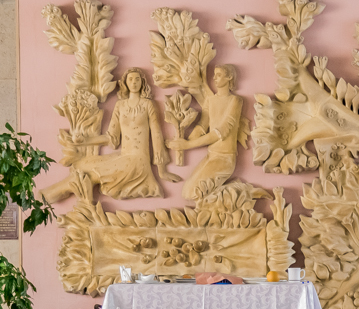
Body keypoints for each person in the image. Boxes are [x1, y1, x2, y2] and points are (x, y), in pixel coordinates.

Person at [42, 67, 180, 204]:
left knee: (91, 175)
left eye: (137, 79)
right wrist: (84, 141)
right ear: (125, 83)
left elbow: (156, 136)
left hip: (138, 161)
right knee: (84, 167)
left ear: (142, 82)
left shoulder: (147, 105)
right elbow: (111, 137)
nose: (134, 82)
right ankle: (49, 195)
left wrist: (162, 171)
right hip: (123, 156)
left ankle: (49, 196)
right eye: (130, 79)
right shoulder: (120, 105)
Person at [168, 64, 243, 201]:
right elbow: (202, 126)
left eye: (219, 75)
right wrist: (182, 139)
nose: (214, 78)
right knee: (186, 192)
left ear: (229, 77)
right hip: (211, 155)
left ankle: (231, 195)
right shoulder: (211, 100)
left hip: (225, 158)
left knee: (194, 193)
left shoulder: (235, 101)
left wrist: (187, 145)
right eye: (214, 74)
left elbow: (220, 132)